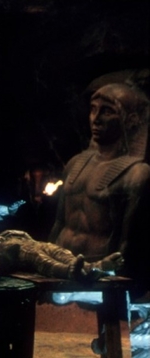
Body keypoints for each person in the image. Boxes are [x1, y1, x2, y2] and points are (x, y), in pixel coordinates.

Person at [49, 82, 150, 291]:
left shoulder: (136, 173)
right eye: (93, 109)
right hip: (61, 269)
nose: (96, 119)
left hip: (100, 275)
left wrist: (116, 284)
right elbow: (58, 224)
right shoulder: (75, 164)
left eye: (107, 111)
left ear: (131, 120)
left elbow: (127, 242)